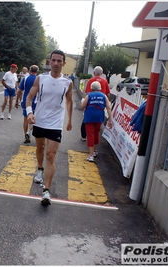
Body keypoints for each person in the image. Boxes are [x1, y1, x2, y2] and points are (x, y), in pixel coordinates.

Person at [26, 50, 73, 206]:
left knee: (50, 155)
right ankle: (40, 169)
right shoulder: (41, 79)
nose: (56, 63)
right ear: (49, 61)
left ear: (63, 64)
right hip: (39, 121)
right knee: (40, 148)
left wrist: (70, 120)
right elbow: (29, 97)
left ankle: (46, 191)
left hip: (55, 124)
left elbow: (69, 101)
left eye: (59, 61)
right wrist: (30, 113)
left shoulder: (68, 83)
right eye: (53, 60)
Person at [81, 81, 113, 162]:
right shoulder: (104, 96)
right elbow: (108, 107)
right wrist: (110, 119)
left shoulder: (89, 95)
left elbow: (83, 106)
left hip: (89, 117)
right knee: (96, 133)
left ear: (92, 88)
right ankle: (94, 151)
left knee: (90, 134)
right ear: (100, 88)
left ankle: (91, 155)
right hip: (99, 117)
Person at [81, 66, 110, 141]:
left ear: (94, 73)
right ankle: (94, 139)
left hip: (91, 105)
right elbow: (108, 94)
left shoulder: (91, 80)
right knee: (98, 123)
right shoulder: (105, 81)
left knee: (86, 120)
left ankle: (84, 136)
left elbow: (87, 92)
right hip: (101, 105)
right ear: (102, 73)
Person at [15, 65, 39, 144]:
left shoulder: (25, 79)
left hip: (25, 101)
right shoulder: (39, 79)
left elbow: (19, 91)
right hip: (35, 102)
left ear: (29, 70)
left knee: (26, 118)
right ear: (37, 71)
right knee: (33, 118)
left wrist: (16, 101)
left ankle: (25, 134)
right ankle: (29, 131)